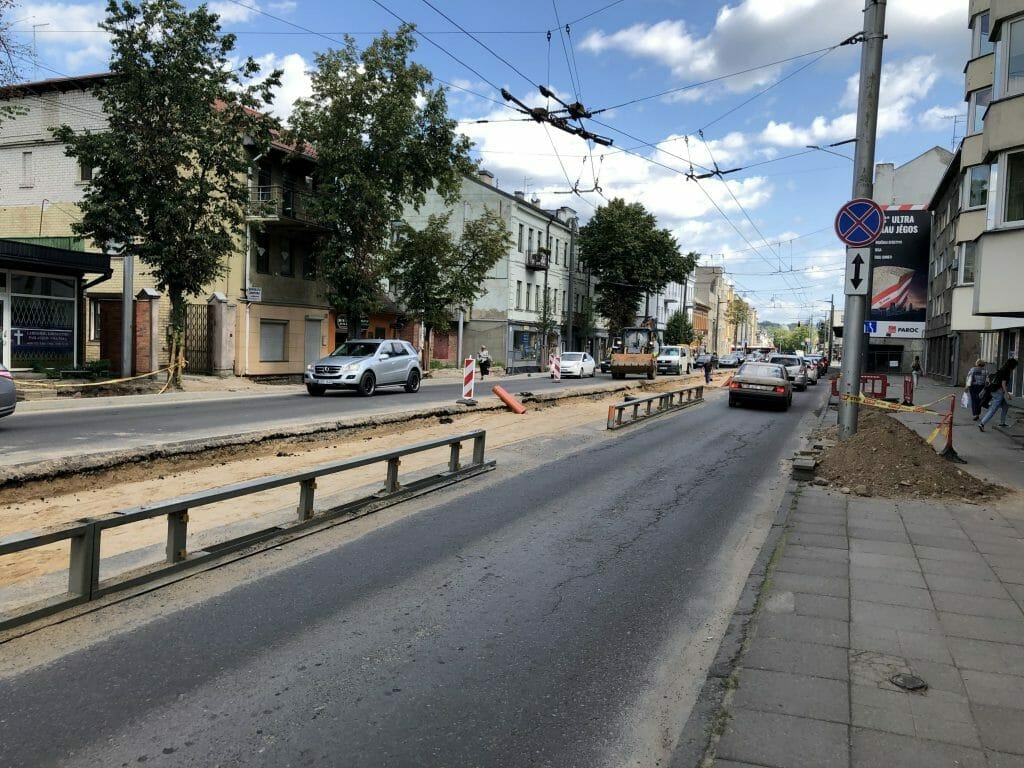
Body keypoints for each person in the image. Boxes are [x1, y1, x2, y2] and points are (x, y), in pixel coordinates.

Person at [979, 357, 1018, 431]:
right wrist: (1007, 393)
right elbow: (1003, 383)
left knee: (1005, 406)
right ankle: (982, 423)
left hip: (994, 390)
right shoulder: (1007, 371)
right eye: (1015, 366)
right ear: (1012, 365)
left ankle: (1002, 423)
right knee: (993, 409)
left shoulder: (1002, 369)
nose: (1015, 367)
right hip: (998, 392)